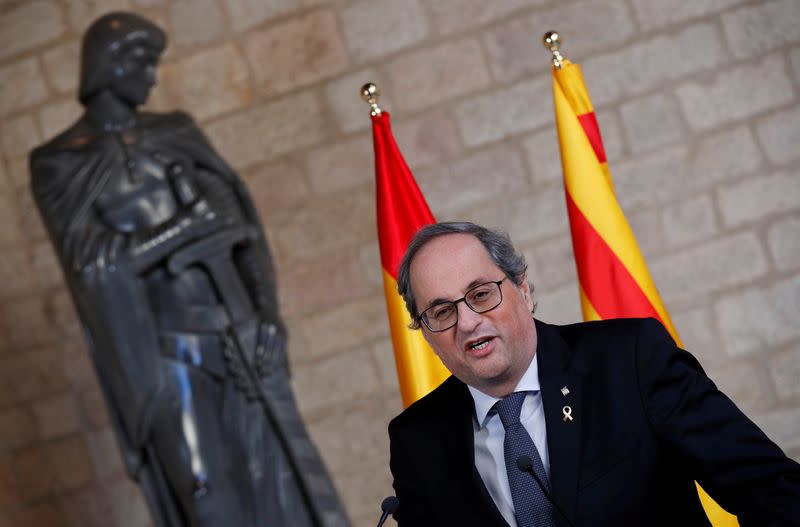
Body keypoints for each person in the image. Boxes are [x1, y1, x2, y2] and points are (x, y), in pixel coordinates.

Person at [30, 12, 349, 527]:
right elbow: (94, 267)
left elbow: (242, 227)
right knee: (203, 494)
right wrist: (183, 229)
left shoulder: (175, 131)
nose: (153, 78)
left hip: (235, 334)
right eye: (145, 64)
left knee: (280, 480)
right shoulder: (59, 163)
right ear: (111, 65)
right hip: (164, 357)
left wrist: (269, 315)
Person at [388, 221, 800, 527]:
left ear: (524, 290)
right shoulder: (417, 440)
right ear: (425, 333)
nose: (468, 322)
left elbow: (771, 489)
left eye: (480, 295)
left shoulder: (630, 359)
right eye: (442, 311)